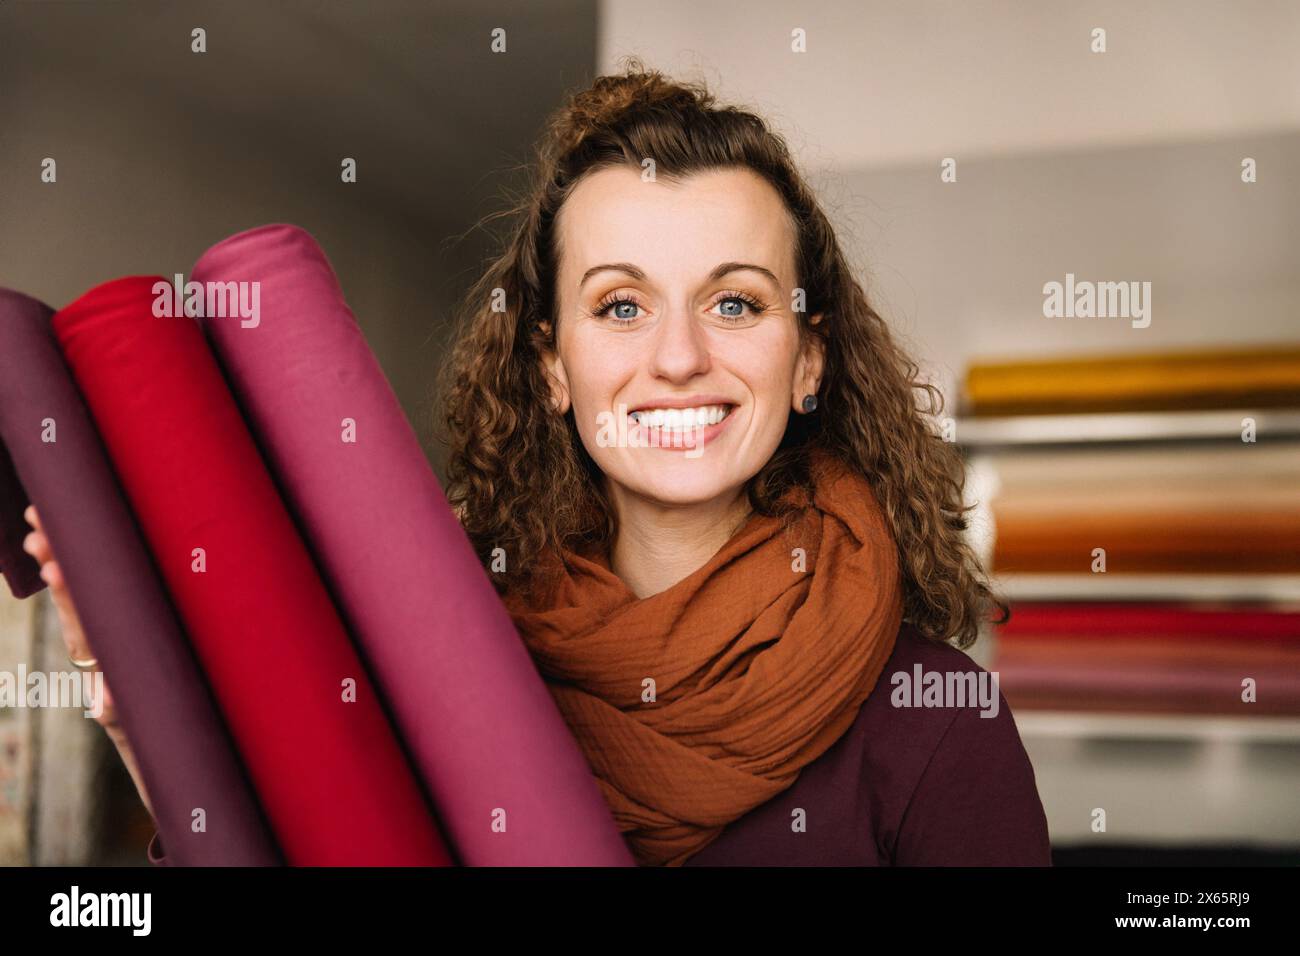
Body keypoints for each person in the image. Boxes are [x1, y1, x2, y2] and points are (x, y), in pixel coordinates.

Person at [24, 59, 1051, 866]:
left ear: (809, 360)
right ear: (553, 366)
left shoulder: (933, 725)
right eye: (619, 305)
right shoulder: (444, 668)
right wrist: (143, 719)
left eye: (733, 301)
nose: (680, 354)